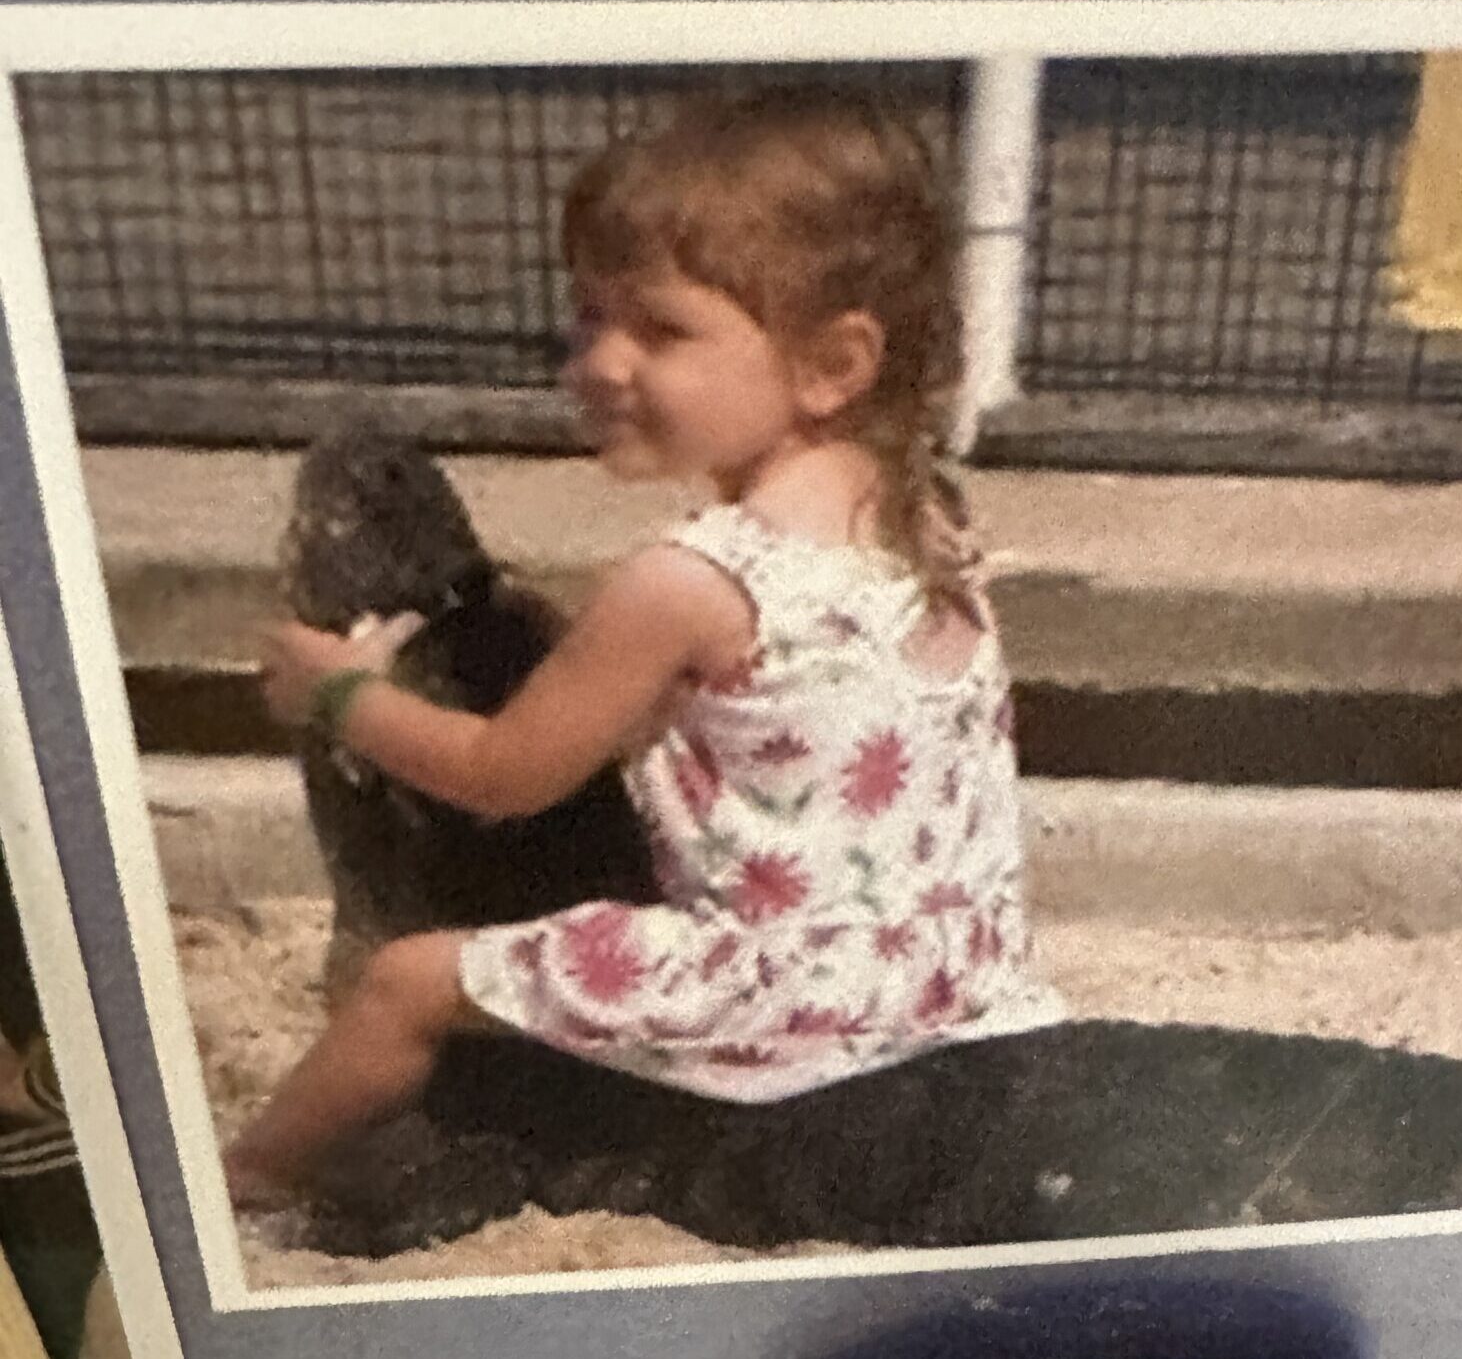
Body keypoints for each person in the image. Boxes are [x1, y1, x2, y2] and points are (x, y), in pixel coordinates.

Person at [223, 86, 1066, 1208]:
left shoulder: (691, 579)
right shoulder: (929, 520)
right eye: (588, 318)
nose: (597, 363)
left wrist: (340, 698)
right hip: (954, 978)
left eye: (659, 330)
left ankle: (253, 1176)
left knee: (404, 983)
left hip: (784, 1003)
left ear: (832, 365)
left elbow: (501, 777)